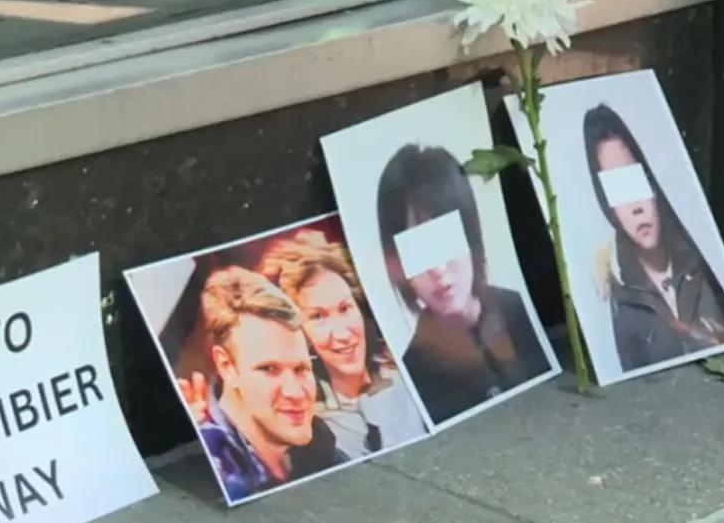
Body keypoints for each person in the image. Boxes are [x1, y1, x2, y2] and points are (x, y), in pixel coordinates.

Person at [376, 144, 553, 424]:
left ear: (470, 234)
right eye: (417, 251)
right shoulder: (414, 374)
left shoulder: (523, 312)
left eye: (445, 240)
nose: (437, 268)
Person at [581, 103, 724, 372]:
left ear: (652, 183)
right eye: (618, 189)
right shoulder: (617, 295)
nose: (635, 206)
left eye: (634, 181)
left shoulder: (698, 262)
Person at [258, 230, 427, 459]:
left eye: (345, 308)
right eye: (318, 317)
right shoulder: (303, 425)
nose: (342, 334)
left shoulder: (408, 372)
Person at [196, 266, 339, 502]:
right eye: (269, 369)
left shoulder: (321, 446)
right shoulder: (222, 467)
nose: (295, 392)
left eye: (302, 369)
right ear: (226, 366)